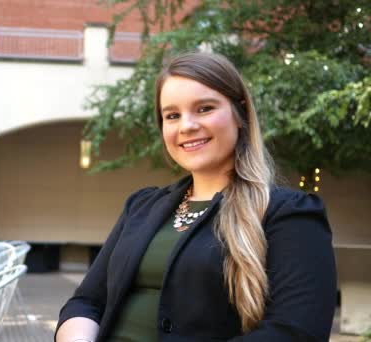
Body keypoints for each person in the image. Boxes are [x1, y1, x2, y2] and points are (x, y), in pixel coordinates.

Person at [55, 52, 337, 342]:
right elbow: (86, 301)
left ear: (239, 114)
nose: (186, 126)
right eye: (172, 115)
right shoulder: (140, 206)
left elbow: (296, 333)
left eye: (204, 108)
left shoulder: (289, 214)